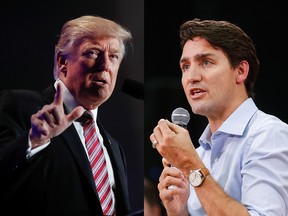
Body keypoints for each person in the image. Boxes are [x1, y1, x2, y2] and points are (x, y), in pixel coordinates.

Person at [150, 18, 288, 215]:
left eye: (206, 62)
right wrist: (179, 212)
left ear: (240, 71)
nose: (191, 77)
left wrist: (190, 165)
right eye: (185, 67)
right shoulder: (199, 154)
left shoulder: (269, 135)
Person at [0, 15, 133, 216]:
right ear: (62, 61)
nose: (105, 65)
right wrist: (33, 141)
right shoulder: (19, 106)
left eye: (113, 56)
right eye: (93, 52)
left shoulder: (115, 147)